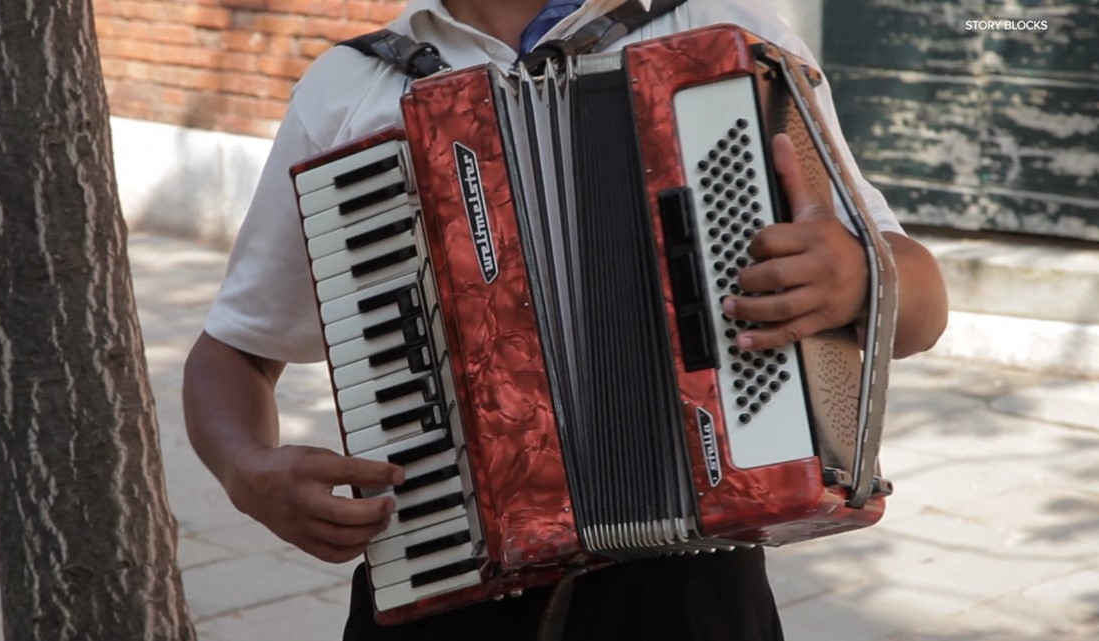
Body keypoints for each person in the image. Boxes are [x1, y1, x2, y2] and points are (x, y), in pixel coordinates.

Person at [182, 1, 950, 640]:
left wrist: (857, 277)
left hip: (688, 597)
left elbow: (920, 307)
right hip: (449, 578)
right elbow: (232, 352)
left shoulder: (726, 32)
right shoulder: (351, 87)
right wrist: (245, 467)